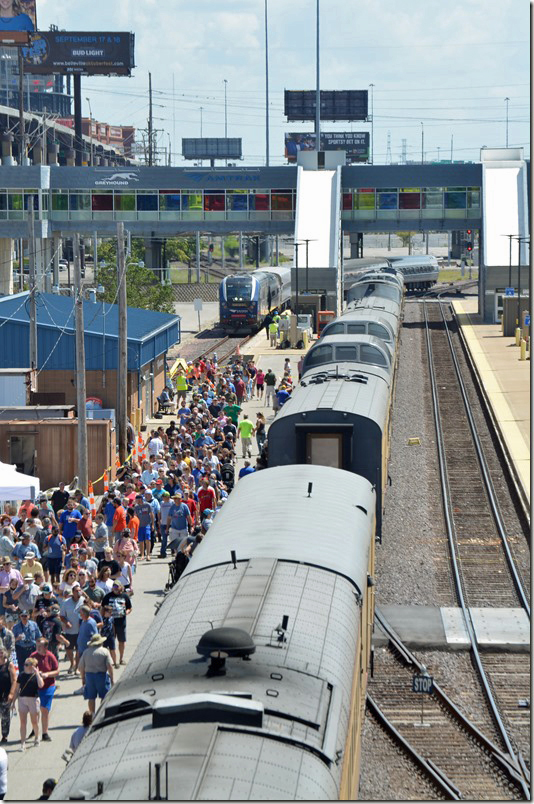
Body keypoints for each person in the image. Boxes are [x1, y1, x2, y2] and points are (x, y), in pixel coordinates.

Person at [29, 638, 59, 742]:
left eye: (40, 646)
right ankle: (34, 729)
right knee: (35, 711)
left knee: (44, 710)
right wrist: (36, 673)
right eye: (37, 645)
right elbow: (27, 669)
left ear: (46, 647)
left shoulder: (50, 656)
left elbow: (57, 671)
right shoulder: (33, 656)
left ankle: (45, 733)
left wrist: (47, 674)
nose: (38, 648)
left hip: (48, 686)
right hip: (36, 687)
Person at [78, 633, 114, 714]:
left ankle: (92, 715)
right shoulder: (105, 651)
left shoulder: (86, 652)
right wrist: (112, 679)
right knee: (104, 696)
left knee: (91, 698)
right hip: (102, 676)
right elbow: (110, 666)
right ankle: (102, 713)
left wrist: (83, 678)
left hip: (89, 677)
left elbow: (81, 667)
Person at [13, 656, 44, 751]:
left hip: (33, 700)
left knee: (34, 721)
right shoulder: (21, 675)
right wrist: (13, 702)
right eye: (24, 664)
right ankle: (23, 743)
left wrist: (37, 673)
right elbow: (17, 689)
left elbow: (41, 685)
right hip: (22, 699)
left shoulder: (36, 675)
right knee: (23, 722)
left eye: (26, 664)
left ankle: (37, 737)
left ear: (31, 665)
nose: (24, 666)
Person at [101, 582, 131, 666]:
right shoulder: (107, 596)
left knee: (122, 641)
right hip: (110, 623)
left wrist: (127, 612)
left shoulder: (124, 596)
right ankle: (112, 660)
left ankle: (121, 659)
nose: (115, 588)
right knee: (111, 641)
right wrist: (102, 619)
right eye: (114, 586)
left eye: (117, 586)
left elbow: (129, 607)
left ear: (120, 587)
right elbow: (102, 608)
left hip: (121, 622)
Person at [59, 583, 83, 674]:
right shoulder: (66, 602)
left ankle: (77, 667)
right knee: (69, 649)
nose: (78, 592)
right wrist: (66, 622)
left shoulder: (83, 601)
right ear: (73, 592)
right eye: (76, 591)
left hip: (80, 631)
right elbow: (61, 616)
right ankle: (72, 664)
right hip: (69, 631)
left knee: (78, 650)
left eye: (79, 590)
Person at [0, 647, 16, 744]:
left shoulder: (9, 665)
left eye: (1, 653)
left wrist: (11, 693)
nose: (0, 654)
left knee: (5, 717)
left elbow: (14, 680)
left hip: (5, 695)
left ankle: (4, 735)